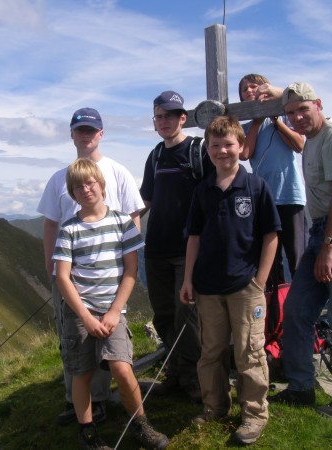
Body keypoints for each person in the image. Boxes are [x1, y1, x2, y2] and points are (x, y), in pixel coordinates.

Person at [268, 82, 332, 419]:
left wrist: (329, 246)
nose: (297, 117)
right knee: (297, 311)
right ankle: (301, 387)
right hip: (320, 233)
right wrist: (267, 90)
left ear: (318, 104)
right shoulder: (310, 142)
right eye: (290, 112)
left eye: (303, 109)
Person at [37, 107, 144, 426]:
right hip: (71, 276)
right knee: (74, 340)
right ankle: (78, 402)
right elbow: (51, 225)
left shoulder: (118, 172)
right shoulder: (59, 178)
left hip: (109, 277)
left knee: (106, 340)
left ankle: (98, 401)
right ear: (71, 135)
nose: (85, 135)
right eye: (79, 130)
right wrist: (52, 267)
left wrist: (129, 260)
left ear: (101, 134)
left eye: (91, 130)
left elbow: (133, 217)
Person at [53, 159, 169, 450]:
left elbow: (131, 271)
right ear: (72, 191)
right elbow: (63, 278)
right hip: (80, 313)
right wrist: (86, 317)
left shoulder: (122, 223)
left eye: (90, 183)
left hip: (112, 312)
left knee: (122, 367)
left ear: (101, 185)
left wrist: (115, 312)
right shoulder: (69, 229)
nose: (85, 189)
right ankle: (88, 432)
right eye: (78, 186)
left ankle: (141, 424)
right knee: (81, 373)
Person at [179, 115, 280, 445]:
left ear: (241, 146)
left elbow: (270, 235)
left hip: (245, 286)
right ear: (207, 150)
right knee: (211, 352)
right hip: (207, 286)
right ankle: (215, 407)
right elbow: (193, 236)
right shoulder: (202, 190)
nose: (222, 151)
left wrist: (260, 281)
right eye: (215, 145)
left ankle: (253, 415)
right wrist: (188, 279)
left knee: (250, 354)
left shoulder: (255, 186)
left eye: (228, 144)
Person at [139, 91, 214, 401]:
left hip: (188, 250)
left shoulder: (199, 150)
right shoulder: (156, 155)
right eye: (159, 116)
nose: (164, 121)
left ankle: (195, 378)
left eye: (170, 115)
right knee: (164, 316)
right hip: (155, 247)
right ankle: (176, 372)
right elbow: (146, 200)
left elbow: (215, 193)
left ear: (183, 117)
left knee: (187, 317)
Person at [238, 74, 307, 285]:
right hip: (264, 199)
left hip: (290, 195)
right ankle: (275, 312)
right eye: (245, 89)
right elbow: (244, 154)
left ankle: (301, 313)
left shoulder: (284, 117)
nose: (250, 91)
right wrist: (258, 122)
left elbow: (299, 145)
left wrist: (276, 119)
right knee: (270, 260)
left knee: (297, 258)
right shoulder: (247, 128)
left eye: (254, 87)